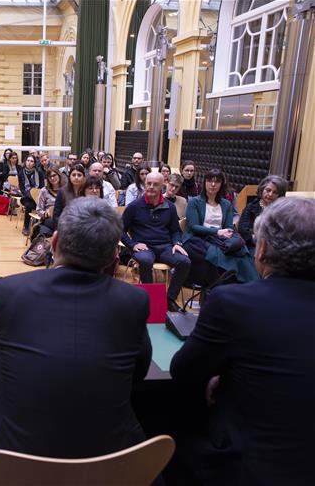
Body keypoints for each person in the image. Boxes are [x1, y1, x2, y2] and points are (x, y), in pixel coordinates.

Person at [0, 197, 152, 486]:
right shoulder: (134, 301)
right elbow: (139, 373)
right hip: (110, 469)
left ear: (54, 242)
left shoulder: (10, 291)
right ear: (113, 258)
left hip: (12, 466)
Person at [170, 197, 315, 486]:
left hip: (244, 467)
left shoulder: (233, 302)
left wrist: (219, 377)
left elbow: (184, 372)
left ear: (260, 249)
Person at [122, 171, 190, 311]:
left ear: (162, 186)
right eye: (149, 183)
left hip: (165, 247)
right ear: (144, 184)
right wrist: (132, 244)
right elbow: (120, 230)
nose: (151, 187)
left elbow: (175, 230)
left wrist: (177, 243)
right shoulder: (134, 206)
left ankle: (169, 299)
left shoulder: (170, 207)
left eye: (155, 184)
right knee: (146, 261)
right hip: (144, 247)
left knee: (185, 262)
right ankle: (150, 299)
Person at [182, 169, 259, 283]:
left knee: (242, 253)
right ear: (204, 182)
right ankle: (219, 287)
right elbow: (194, 226)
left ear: (221, 184)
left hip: (220, 238)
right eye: (210, 181)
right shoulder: (195, 202)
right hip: (198, 238)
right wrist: (217, 231)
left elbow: (228, 226)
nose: (213, 184)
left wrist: (225, 233)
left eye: (217, 182)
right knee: (217, 255)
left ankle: (246, 287)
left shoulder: (226, 204)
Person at [238, 175, 287, 251]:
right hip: (252, 246)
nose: (270, 194)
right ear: (262, 189)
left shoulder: (282, 211)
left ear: (279, 195)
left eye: (275, 192)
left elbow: (283, 234)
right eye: (268, 190)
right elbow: (243, 231)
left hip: (274, 249)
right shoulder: (251, 207)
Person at [17, 154, 45, 236]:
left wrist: (36, 195)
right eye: (28, 161)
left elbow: (42, 186)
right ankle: (26, 227)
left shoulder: (39, 172)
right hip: (26, 196)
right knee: (28, 205)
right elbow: (22, 188)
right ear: (25, 162)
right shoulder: (21, 173)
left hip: (38, 196)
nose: (29, 163)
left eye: (31, 161)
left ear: (34, 163)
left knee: (42, 205)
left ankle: (39, 227)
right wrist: (30, 195)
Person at [52, 163, 85, 229]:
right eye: (73, 175)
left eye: (79, 175)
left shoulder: (87, 191)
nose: (76, 177)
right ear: (69, 176)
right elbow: (56, 215)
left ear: (84, 177)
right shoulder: (62, 191)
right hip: (65, 226)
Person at [32, 167, 62, 239]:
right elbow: (38, 209)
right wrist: (45, 213)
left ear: (59, 175)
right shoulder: (44, 191)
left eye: (54, 175)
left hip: (62, 216)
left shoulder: (65, 189)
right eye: (50, 176)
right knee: (59, 225)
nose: (52, 178)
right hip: (49, 218)